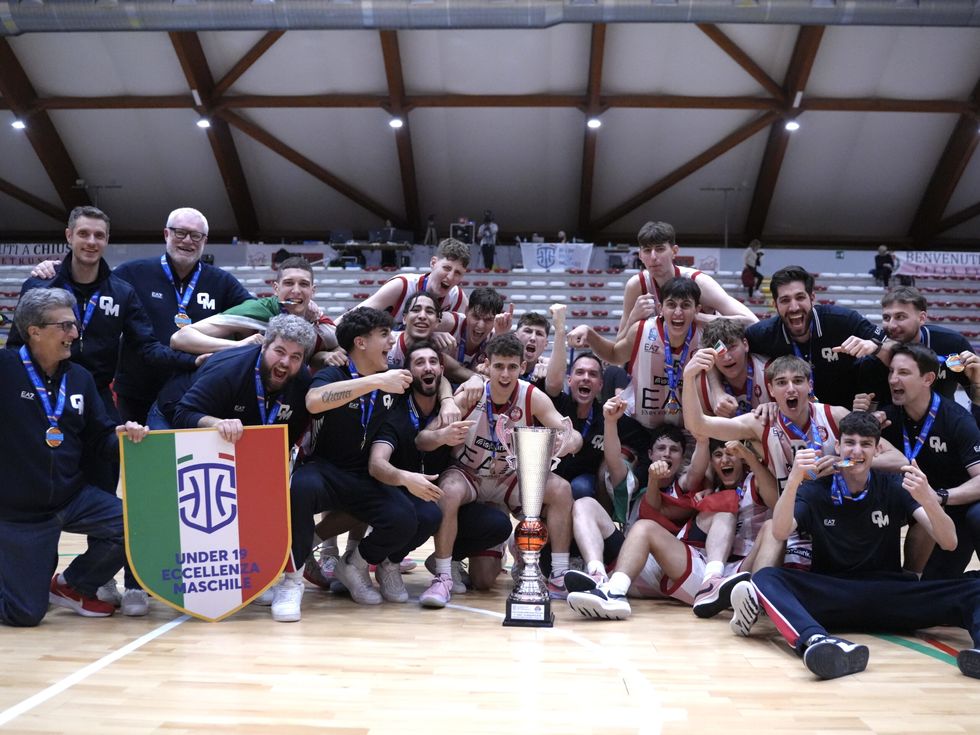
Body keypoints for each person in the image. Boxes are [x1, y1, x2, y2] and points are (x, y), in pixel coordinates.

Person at [729, 411, 980, 681]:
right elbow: (779, 530)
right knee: (766, 578)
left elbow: (949, 541)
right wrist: (793, 483)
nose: (856, 450)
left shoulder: (893, 486)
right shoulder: (815, 490)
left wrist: (929, 499)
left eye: (865, 444)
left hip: (889, 594)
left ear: (876, 449)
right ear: (837, 446)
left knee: (975, 588)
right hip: (832, 593)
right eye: (849, 442)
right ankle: (818, 641)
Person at [0, 288, 148, 626]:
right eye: (65, 326)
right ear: (34, 330)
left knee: (138, 524)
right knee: (25, 615)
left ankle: (74, 584)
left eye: (74, 325)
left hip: (71, 497)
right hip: (19, 515)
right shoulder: (5, 369)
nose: (75, 334)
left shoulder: (79, 378)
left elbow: (99, 438)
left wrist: (121, 437)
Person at [418, 333, 582, 608]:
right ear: (486, 365)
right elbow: (422, 438)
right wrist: (442, 436)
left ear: (523, 368)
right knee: (447, 491)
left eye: (512, 367)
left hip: (510, 477)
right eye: (499, 366)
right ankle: (443, 576)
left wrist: (563, 443)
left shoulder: (532, 396)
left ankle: (558, 572)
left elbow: (572, 436)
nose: (505, 374)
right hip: (469, 473)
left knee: (561, 489)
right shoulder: (472, 393)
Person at [288, 307, 435, 613]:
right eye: (384, 334)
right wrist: (374, 382)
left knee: (405, 517)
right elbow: (314, 402)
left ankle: (354, 564)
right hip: (324, 470)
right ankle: (290, 580)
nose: (392, 340)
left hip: (365, 475)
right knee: (300, 489)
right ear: (361, 342)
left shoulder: (392, 385)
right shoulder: (336, 373)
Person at [566, 434, 776, 621]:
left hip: (730, 568)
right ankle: (598, 577)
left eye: (731, 454)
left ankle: (724, 586)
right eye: (718, 455)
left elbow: (775, 501)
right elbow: (655, 508)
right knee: (586, 504)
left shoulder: (731, 484)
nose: (725, 460)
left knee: (648, 527)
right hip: (674, 562)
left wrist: (745, 455)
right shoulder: (705, 490)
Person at [370, 340, 512, 601]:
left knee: (498, 525)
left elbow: (481, 382)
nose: (428, 367)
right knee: (427, 513)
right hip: (399, 494)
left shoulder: (454, 403)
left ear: (442, 369)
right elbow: (377, 463)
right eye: (420, 362)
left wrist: (475, 380)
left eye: (433, 362)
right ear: (409, 372)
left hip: (441, 492)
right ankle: (389, 562)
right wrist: (405, 478)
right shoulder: (396, 412)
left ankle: (443, 561)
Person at [113, 207, 253, 423]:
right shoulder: (132, 272)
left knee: (189, 458)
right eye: (181, 233)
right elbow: (93, 287)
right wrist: (53, 269)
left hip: (192, 393)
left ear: (204, 241)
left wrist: (302, 308)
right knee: (139, 456)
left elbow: (255, 310)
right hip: (138, 390)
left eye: (196, 235)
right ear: (166, 234)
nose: (188, 241)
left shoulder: (221, 282)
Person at [878, 343, 980, 578]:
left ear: (928, 379)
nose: (893, 380)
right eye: (891, 372)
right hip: (908, 503)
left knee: (936, 585)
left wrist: (940, 497)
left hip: (952, 509)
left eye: (903, 373)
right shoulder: (887, 418)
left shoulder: (957, 420)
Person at [569, 277, 703, 435]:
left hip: (685, 430)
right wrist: (589, 333)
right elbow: (614, 355)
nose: (678, 312)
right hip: (639, 426)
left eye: (686, 305)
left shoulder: (705, 337)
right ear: (660, 308)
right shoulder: (641, 330)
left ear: (697, 309)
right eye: (671, 305)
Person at [745, 265, 886, 409]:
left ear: (812, 297)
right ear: (775, 304)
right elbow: (728, 351)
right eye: (785, 300)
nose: (794, 307)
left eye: (800, 297)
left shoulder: (842, 320)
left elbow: (891, 344)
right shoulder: (764, 333)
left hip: (847, 418)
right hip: (795, 422)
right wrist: (719, 391)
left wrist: (876, 346)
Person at [169, 256, 339, 366]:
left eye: (303, 284)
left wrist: (323, 355)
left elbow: (340, 344)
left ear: (313, 291)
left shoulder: (316, 321)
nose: (296, 291)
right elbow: (180, 338)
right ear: (276, 288)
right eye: (288, 283)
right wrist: (238, 346)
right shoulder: (258, 311)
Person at [617, 221, 756, 337]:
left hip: (703, 359)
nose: (653, 257)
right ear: (640, 255)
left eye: (660, 249)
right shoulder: (636, 285)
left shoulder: (698, 281)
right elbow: (618, 348)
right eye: (647, 250)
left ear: (674, 251)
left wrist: (696, 318)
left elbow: (751, 322)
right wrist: (632, 319)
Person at [545, 303, 606, 500]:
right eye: (579, 372)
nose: (586, 377)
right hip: (550, 475)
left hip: (584, 482)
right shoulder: (555, 403)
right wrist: (560, 331)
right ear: (569, 380)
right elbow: (553, 380)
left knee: (580, 487)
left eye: (593, 374)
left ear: (600, 385)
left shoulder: (608, 419)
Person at [352, 237, 469, 329]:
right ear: (433, 263)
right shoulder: (401, 286)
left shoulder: (457, 297)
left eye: (458, 273)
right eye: (447, 268)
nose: (450, 277)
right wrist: (334, 347)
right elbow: (351, 319)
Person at [695, 318, 771, 418]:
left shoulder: (769, 372)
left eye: (732, 347)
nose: (727, 357)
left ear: (745, 344)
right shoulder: (703, 384)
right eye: (719, 350)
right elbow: (701, 430)